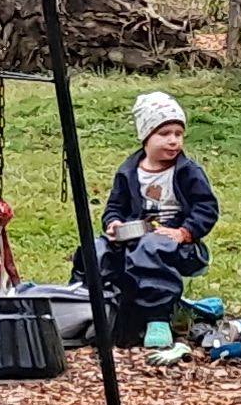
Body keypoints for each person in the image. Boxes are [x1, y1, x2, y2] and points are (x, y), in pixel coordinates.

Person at [87, 92, 216, 335]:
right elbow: (114, 206)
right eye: (164, 134)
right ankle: (97, 309)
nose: (174, 141)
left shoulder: (188, 171)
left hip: (177, 244)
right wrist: (113, 224)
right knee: (95, 250)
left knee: (150, 248)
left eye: (178, 134)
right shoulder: (129, 172)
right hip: (134, 234)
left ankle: (157, 318)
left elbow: (206, 208)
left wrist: (184, 232)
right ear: (145, 137)